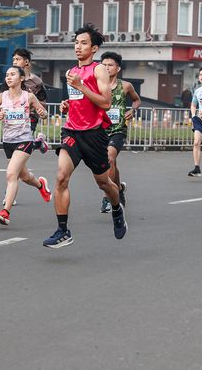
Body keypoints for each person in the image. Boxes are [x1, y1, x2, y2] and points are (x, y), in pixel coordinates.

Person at [43, 23, 127, 248]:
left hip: (94, 135)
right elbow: (79, 101)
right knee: (61, 177)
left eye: (83, 43)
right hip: (71, 131)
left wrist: (81, 87)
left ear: (94, 48)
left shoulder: (99, 70)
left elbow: (106, 103)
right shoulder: (71, 72)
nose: (78, 47)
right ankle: (63, 231)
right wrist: (67, 104)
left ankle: (117, 209)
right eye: (76, 43)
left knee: (104, 183)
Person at [0, 66, 52, 226]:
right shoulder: (0, 97)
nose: (8, 77)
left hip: (24, 140)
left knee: (11, 174)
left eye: (12, 74)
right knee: (24, 176)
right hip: (8, 142)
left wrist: (43, 113)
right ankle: (41, 185)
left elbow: (44, 113)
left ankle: (5, 212)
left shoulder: (28, 97)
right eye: (7, 75)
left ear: (21, 78)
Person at [100, 51, 141, 212]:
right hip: (100, 130)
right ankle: (120, 190)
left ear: (118, 68)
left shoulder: (125, 86)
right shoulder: (95, 86)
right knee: (112, 164)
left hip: (118, 130)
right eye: (104, 65)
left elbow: (137, 100)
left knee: (109, 159)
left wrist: (133, 110)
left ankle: (107, 198)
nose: (106, 67)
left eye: (110, 65)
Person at [12, 48, 49, 152]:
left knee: (22, 146)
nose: (14, 62)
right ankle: (38, 143)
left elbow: (43, 103)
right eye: (13, 59)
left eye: (17, 59)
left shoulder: (37, 82)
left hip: (30, 116)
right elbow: (3, 96)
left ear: (26, 62)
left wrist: (33, 100)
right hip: (13, 117)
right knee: (16, 146)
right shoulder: (10, 79)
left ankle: (36, 143)